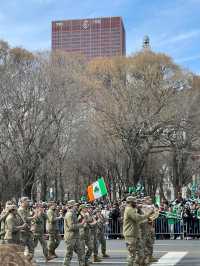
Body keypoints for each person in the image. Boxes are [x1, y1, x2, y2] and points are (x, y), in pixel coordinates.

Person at [123, 196, 154, 266]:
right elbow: (137, 218)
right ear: (130, 202)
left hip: (136, 234)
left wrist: (139, 208)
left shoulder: (132, 209)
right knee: (132, 255)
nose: (136, 203)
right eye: (134, 202)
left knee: (141, 253)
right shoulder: (129, 209)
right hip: (130, 235)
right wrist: (148, 214)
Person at [63, 200, 85, 266]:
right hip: (70, 237)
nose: (76, 206)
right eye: (75, 205)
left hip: (75, 236)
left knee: (80, 251)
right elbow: (71, 226)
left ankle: (82, 264)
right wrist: (82, 224)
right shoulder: (69, 214)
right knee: (69, 253)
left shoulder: (73, 213)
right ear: (72, 206)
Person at [18, 197, 35, 261]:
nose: (28, 202)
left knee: (31, 247)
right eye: (27, 201)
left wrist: (32, 223)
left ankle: (28, 261)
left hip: (28, 231)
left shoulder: (26, 209)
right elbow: (24, 218)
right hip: (23, 232)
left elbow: (29, 218)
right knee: (21, 249)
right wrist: (33, 217)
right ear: (22, 202)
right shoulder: (20, 210)